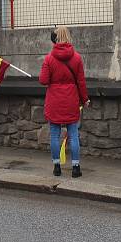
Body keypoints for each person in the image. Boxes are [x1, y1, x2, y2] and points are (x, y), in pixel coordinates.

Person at [39, 26, 89, 178]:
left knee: (54, 135)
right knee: (73, 134)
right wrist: (85, 99)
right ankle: (75, 167)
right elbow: (81, 82)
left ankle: (56, 166)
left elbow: (43, 80)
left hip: (54, 100)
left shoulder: (48, 58)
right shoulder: (77, 58)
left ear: (55, 38)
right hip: (71, 100)